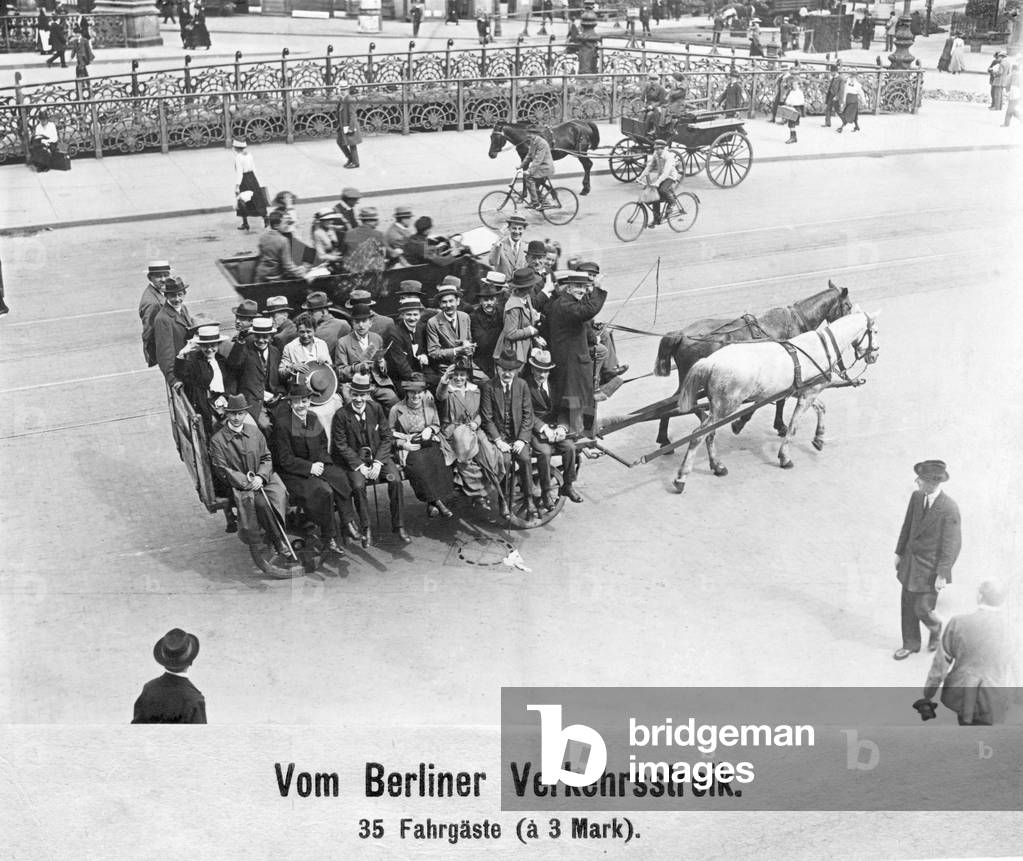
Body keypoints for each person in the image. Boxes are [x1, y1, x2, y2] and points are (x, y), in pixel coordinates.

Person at [273, 380, 357, 554]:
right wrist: (310, 468)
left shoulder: (312, 417)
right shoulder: (283, 424)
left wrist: (320, 463)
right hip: (294, 472)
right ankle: (330, 536)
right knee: (324, 491)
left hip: (317, 464)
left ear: (309, 401)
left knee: (340, 477)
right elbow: (285, 459)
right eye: (297, 401)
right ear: (290, 403)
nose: (301, 405)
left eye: (304, 401)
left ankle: (348, 522)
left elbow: (322, 443)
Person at [920, 580, 1018, 726]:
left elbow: (941, 663)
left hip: (962, 692)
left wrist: (928, 694)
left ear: (979, 596)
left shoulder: (958, 622)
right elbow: (1017, 667)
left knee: (966, 730)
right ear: (1003, 600)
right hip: (995, 694)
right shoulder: (1013, 629)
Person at [893, 460, 962, 661]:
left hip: (930, 569)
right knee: (907, 605)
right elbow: (907, 526)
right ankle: (910, 644)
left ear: (933, 482)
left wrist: (942, 574)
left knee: (922, 608)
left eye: (920, 479)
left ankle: (935, 626)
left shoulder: (949, 508)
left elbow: (952, 545)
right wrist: (899, 553)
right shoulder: (916, 497)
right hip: (910, 563)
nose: (916, 481)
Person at [331, 372, 409, 545]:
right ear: (350, 394)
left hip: (379, 459)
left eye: (362, 395)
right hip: (356, 463)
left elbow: (387, 437)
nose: (358, 399)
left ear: (368, 394)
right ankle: (366, 527)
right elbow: (341, 445)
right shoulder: (341, 415)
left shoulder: (376, 408)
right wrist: (360, 466)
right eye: (355, 395)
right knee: (358, 486)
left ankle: (399, 525)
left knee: (395, 480)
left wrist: (379, 462)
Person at [209, 394, 290, 554]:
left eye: (240, 413)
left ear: (246, 414)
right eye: (232, 413)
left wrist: (260, 476)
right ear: (226, 414)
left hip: (263, 478)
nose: (236, 417)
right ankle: (277, 539)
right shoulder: (217, 440)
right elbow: (223, 470)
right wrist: (249, 482)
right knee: (260, 504)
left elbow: (266, 456)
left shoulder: (255, 432)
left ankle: (283, 524)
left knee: (279, 494)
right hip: (240, 486)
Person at [545, 268, 607, 434]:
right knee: (575, 405)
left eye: (584, 287)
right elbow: (587, 311)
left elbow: (583, 322)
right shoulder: (566, 305)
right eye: (578, 286)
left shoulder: (568, 302)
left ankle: (585, 432)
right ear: (569, 287)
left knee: (580, 402)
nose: (582, 290)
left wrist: (594, 339)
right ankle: (577, 436)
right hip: (571, 365)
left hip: (573, 363)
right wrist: (597, 289)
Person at [436, 358, 503, 506]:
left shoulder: (475, 390)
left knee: (488, 453)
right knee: (465, 453)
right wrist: (445, 379)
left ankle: (488, 487)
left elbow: (480, 412)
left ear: (467, 375)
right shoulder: (447, 390)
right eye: (456, 374)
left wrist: (476, 422)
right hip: (453, 431)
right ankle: (477, 492)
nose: (459, 378)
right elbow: (440, 395)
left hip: (472, 428)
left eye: (462, 374)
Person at [481, 349, 537, 519]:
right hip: (501, 437)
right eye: (503, 369)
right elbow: (487, 418)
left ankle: (529, 499)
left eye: (511, 370)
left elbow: (528, 415)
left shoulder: (522, 385)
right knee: (504, 461)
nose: (507, 373)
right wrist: (498, 440)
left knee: (525, 459)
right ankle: (503, 500)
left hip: (518, 437)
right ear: (498, 369)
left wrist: (522, 439)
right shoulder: (489, 387)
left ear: (516, 370)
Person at [390, 374, 454, 519]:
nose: (416, 396)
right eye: (412, 392)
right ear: (407, 392)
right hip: (410, 445)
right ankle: (438, 503)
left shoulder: (429, 405)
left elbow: (436, 424)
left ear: (424, 393)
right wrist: (404, 442)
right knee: (418, 463)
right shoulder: (396, 409)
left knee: (437, 459)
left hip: (428, 441)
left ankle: (432, 503)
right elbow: (389, 433)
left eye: (419, 392)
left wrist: (430, 429)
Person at [525, 348, 580, 509]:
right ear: (533, 369)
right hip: (536, 430)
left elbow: (564, 409)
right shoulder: (525, 386)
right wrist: (543, 428)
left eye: (545, 371)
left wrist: (562, 428)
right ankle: (546, 491)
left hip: (556, 428)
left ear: (549, 371)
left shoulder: (556, 384)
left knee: (570, 448)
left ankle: (568, 484)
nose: (541, 375)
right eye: (538, 370)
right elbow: (526, 413)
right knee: (544, 452)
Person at [132, 628, 206, 724]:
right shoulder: (194, 699)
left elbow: (135, 730)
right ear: (190, 661)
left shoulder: (149, 689)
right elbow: (201, 737)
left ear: (164, 660)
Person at [334, 301, 399, 410]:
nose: (361, 325)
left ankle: (392, 427)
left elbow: (382, 365)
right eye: (357, 322)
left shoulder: (376, 338)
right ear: (352, 323)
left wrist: (382, 365)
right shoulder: (343, 342)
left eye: (364, 321)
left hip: (377, 384)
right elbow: (340, 372)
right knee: (371, 409)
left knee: (395, 403)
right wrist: (357, 367)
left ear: (370, 322)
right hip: (355, 386)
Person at [225, 316, 284, 430]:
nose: (261, 340)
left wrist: (280, 394)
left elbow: (279, 379)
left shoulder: (275, 352)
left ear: (271, 336)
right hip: (252, 401)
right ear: (253, 335)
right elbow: (233, 364)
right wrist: (240, 342)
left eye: (265, 336)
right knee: (265, 426)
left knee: (284, 424)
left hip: (273, 401)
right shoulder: (245, 350)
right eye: (257, 336)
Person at [174, 323, 231, 435]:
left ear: (218, 345)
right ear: (200, 346)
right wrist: (182, 354)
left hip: (223, 402)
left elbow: (229, 382)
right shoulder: (195, 361)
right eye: (205, 346)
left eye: (213, 345)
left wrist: (225, 396)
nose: (209, 349)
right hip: (204, 404)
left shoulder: (222, 360)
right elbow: (181, 373)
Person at [426, 282, 481, 378]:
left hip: (466, 367)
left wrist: (469, 347)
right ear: (439, 304)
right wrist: (456, 350)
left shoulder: (465, 317)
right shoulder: (433, 322)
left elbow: (469, 339)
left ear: (458, 301)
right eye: (444, 302)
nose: (448, 305)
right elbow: (433, 352)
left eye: (451, 301)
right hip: (446, 370)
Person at [494, 267, 543, 369]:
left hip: (525, 346)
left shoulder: (526, 297)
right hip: (513, 351)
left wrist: (533, 315)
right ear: (528, 287)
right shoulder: (513, 306)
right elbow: (510, 333)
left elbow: (525, 315)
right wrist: (530, 331)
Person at [154, 276, 195, 387]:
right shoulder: (162, 319)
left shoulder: (183, 308)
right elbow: (164, 354)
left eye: (180, 295)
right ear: (166, 296)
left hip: (190, 365)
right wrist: (173, 380)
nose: (177, 299)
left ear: (184, 294)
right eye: (172, 295)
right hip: (180, 372)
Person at [470, 272, 507, 380]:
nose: (489, 303)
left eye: (492, 299)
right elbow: (483, 342)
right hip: (482, 363)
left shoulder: (502, 312)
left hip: (502, 357)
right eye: (485, 300)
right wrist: (502, 331)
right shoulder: (474, 317)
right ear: (480, 301)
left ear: (496, 299)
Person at [636, 138, 680, 226]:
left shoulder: (668, 156)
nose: (656, 151)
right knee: (655, 197)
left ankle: (672, 203)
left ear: (663, 148)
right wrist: (640, 177)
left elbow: (666, 173)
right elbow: (650, 166)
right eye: (655, 149)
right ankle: (657, 219)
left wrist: (657, 182)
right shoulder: (656, 154)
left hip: (670, 176)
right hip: (661, 176)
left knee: (662, 190)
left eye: (658, 149)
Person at [255, 211, 308, 283]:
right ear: (276, 225)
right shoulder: (283, 240)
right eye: (285, 223)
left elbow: (260, 255)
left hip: (261, 273)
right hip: (274, 276)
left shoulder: (263, 236)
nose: (287, 226)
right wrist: (302, 274)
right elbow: (288, 266)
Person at [279, 311, 331, 380]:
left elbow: (331, 368)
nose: (305, 336)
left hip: (321, 384)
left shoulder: (322, 344)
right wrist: (292, 367)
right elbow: (281, 373)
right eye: (302, 332)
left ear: (315, 330)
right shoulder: (289, 347)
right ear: (297, 331)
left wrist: (326, 363)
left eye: (309, 331)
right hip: (299, 386)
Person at [138, 260, 170, 366]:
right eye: (159, 276)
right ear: (149, 277)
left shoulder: (159, 291)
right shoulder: (152, 303)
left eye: (166, 275)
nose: (163, 279)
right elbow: (149, 333)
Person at [343, 205, 392, 273]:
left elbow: (344, 251)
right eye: (377, 220)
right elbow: (391, 253)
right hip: (372, 271)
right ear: (374, 220)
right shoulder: (378, 234)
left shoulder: (349, 233)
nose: (378, 223)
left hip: (352, 271)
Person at [232, 139, 268, 232]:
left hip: (244, 180)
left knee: (242, 201)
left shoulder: (238, 158)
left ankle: (245, 222)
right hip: (253, 178)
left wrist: (237, 186)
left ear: (236, 148)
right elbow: (254, 169)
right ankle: (265, 218)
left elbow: (240, 173)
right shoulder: (249, 155)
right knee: (257, 199)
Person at [301, 291, 350, 355]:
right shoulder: (343, 324)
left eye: (311, 312)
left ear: (323, 311)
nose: (309, 315)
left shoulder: (340, 325)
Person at [520, 131, 555, 210]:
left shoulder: (542, 143)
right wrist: (521, 166)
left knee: (529, 178)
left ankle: (537, 203)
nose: (528, 135)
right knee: (533, 184)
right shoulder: (533, 142)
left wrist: (529, 171)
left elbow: (538, 160)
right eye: (528, 133)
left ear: (535, 134)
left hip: (545, 167)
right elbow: (529, 155)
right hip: (540, 167)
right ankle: (538, 201)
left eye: (530, 133)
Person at [488, 214, 528, 279]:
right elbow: (492, 262)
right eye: (514, 228)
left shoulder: (526, 247)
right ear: (508, 228)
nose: (517, 232)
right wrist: (498, 242)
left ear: (524, 230)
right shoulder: (500, 245)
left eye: (520, 229)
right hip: (503, 286)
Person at [336, 79, 362, 169]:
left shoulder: (349, 99)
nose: (342, 91)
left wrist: (351, 128)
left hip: (350, 125)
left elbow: (352, 115)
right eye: (341, 90)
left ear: (347, 90)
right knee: (340, 141)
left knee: (352, 143)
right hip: (343, 125)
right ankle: (350, 158)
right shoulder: (342, 99)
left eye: (344, 90)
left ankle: (355, 162)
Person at [642, 71, 668, 137]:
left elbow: (662, 102)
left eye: (654, 80)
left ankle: (645, 132)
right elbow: (644, 98)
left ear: (657, 80)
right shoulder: (648, 87)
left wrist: (652, 106)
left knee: (649, 115)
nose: (652, 82)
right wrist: (644, 106)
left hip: (658, 108)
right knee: (641, 114)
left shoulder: (661, 89)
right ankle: (639, 130)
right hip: (648, 106)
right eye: (651, 80)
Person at [783, 78, 804, 144]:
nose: (794, 86)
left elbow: (802, 102)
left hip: (796, 108)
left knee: (792, 123)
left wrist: (794, 103)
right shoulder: (791, 92)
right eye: (793, 85)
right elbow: (788, 99)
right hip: (790, 107)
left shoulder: (800, 92)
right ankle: (793, 137)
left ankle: (793, 137)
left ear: (798, 85)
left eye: (796, 84)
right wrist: (787, 102)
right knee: (790, 123)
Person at [823, 62, 845, 128]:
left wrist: (837, 97)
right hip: (831, 95)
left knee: (838, 110)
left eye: (832, 72)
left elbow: (841, 90)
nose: (831, 73)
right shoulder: (833, 78)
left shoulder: (841, 79)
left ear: (835, 71)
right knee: (828, 109)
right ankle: (828, 123)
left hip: (836, 97)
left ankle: (845, 120)